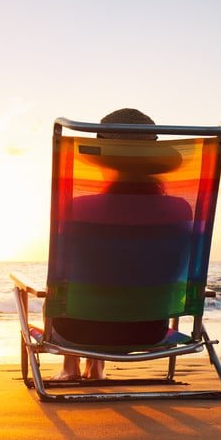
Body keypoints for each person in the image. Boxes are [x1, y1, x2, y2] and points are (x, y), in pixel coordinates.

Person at [50, 108, 192, 381]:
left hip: (75, 332)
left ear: (105, 163)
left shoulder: (78, 208)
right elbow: (173, 269)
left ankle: (71, 366)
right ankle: (96, 366)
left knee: (72, 279)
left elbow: (65, 270)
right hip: (149, 331)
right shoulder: (180, 210)